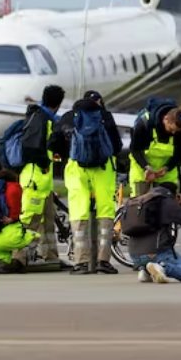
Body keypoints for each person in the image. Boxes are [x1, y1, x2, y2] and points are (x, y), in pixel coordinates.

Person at [58, 91, 122, 275]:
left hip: (77, 170)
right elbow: (116, 145)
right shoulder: (105, 116)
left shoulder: (69, 117)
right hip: (103, 170)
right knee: (105, 212)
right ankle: (103, 260)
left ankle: (81, 262)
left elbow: (54, 143)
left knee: (79, 213)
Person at [18, 85, 66, 267]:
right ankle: (19, 258)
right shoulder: (39, 119)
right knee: (30, 222)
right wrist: (45, 163)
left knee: (48, 222)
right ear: (58, 104)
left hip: (43, 182)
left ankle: (51, 257)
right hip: (34, 181)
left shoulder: (45, 118)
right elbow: (30, 148)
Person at [125, 185, 181, 283]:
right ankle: (161, 267)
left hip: (134, 256)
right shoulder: (167, 203)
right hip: (156, 253)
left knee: (169, 257)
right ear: (176, 195)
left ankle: (145, 270)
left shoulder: (142, 200)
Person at [129, 99, 181, 197]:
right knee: (139, 204)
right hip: (142, 168)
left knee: (167, 205)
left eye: (176, 131)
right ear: (165, 119)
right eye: (171, 129)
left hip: (167, 171)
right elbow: (135, 149)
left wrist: (167, 167)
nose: (173, 133)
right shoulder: (144, 124)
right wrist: (146, 167)